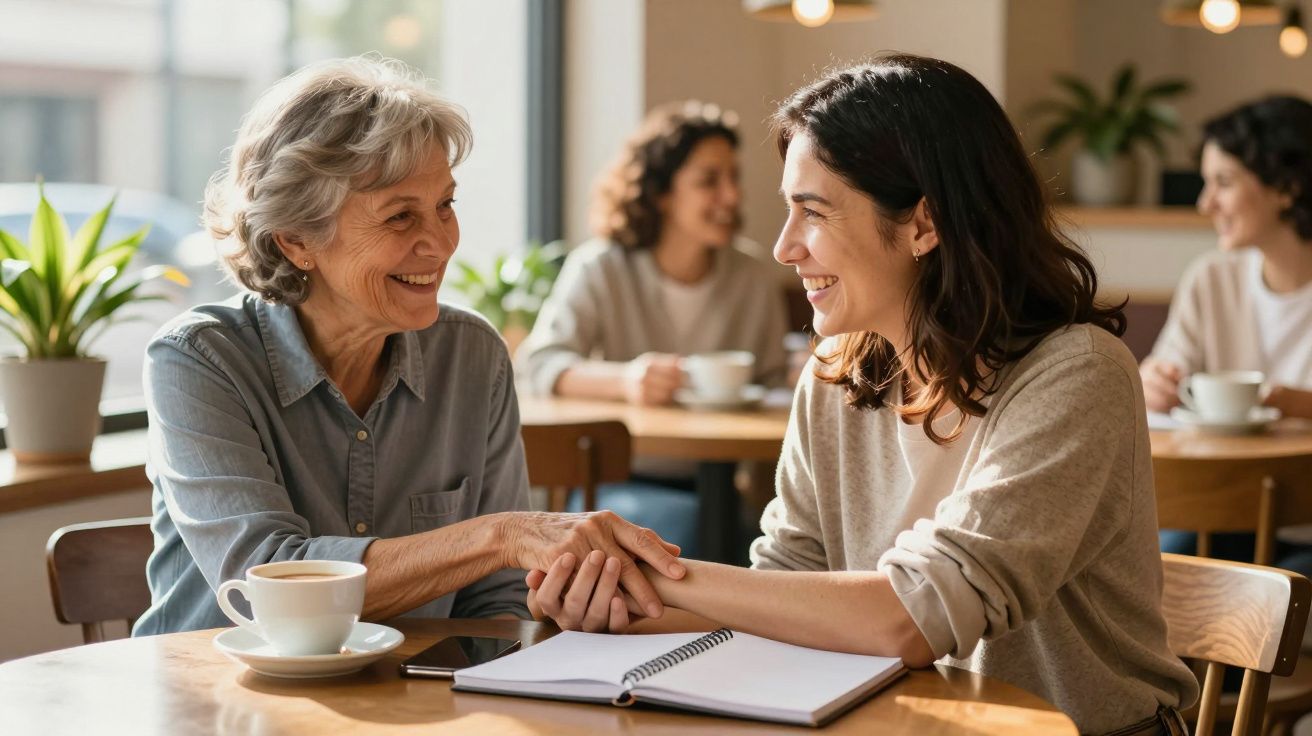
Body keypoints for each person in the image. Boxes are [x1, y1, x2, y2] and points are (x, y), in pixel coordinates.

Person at [526, 55, 1198, 735]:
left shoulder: (1077, 375)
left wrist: (658, 574)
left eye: (812, 213)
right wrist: (615, 598)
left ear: (922, 226)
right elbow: (784, 587)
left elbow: (914, 617)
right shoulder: (836, 375)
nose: (785, 248)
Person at [132, 55, 684, 636]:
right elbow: (267, 581)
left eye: (445, 205)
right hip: (217, 708)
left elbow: (497, 596)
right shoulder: (198, 360)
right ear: (297, 239)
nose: (440, 244)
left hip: (404, 708)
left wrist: (557, 605)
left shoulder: (473, 356)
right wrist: (499, 536)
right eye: (400, 217)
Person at [516, 101, 791, 557]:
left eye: (733, 178)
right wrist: (627, 381)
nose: (731, 196)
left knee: (768, 547)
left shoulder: (751, 275)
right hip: (624, 485)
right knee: (702, 537)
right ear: (661, 192)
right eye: (709, 181)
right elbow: (539, 364)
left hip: (727, 485)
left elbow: (773, 380)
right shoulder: (602, 267)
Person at [1142, 96, 1312, 569]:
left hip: (1306, 526)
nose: (1205, 203)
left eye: (1223, 182)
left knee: (1273, 607)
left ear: (1288, 187)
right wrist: (1151, 380)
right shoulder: (1211, 278)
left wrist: (1292, 402)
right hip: (1220, 515)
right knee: (1153, 579)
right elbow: (1163, 370)